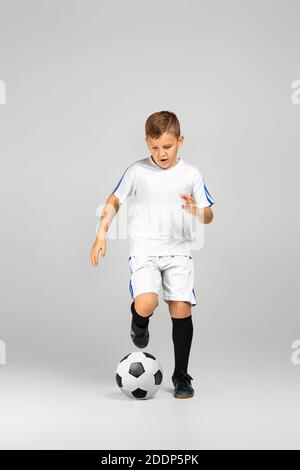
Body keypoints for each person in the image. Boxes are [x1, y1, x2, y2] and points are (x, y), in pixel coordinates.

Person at [90, 111, 215, 398]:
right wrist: (101, 234)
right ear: (147, 143)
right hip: (145, 251)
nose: (161, 153)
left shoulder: (191, 174)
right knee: (146, 303)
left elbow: (209, 215)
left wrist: (196, 209)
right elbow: (114, 200)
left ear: (180, 141)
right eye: (154, 147)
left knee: (181, 308)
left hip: (178, 253)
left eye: (167, 147)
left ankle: (181, 376)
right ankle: (139, 321)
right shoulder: (137, 171)